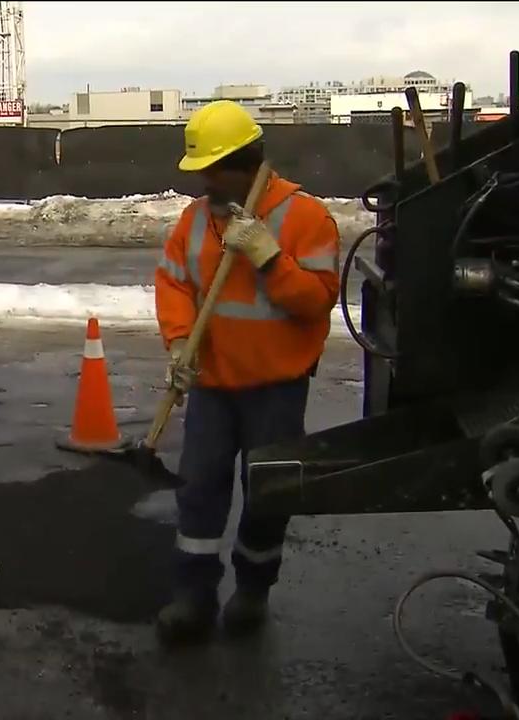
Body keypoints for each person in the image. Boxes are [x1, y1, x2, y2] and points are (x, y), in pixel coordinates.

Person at [153, 100, 341, 645]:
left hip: (275, 389)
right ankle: (193, 595)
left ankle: (254, 590)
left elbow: (317, 301)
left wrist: (269, 257)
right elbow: (173, 283)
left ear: (247, 163)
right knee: (198, 490)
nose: (207, 182)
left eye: (215, 170)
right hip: (212, 385)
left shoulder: (306, 218)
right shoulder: (195, 220)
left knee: (268, 494)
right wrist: (180, 342)